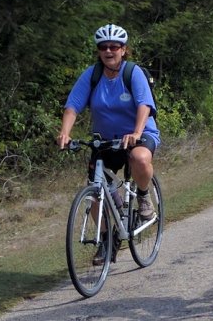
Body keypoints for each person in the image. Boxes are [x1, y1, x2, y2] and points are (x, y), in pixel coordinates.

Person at [57, 24, 161, 264]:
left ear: (124, 50)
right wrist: (65, 133)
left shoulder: (132, 73)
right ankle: (107, 239)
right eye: (103, 47)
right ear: (98, 51)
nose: (109, 51)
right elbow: (73, 105)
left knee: (140, 158)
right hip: (105, 140)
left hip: (139, 134)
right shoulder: (92, 75)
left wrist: (136, 132)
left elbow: (144, 104)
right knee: (95, 193)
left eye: (114, 46)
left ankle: (144, 197)